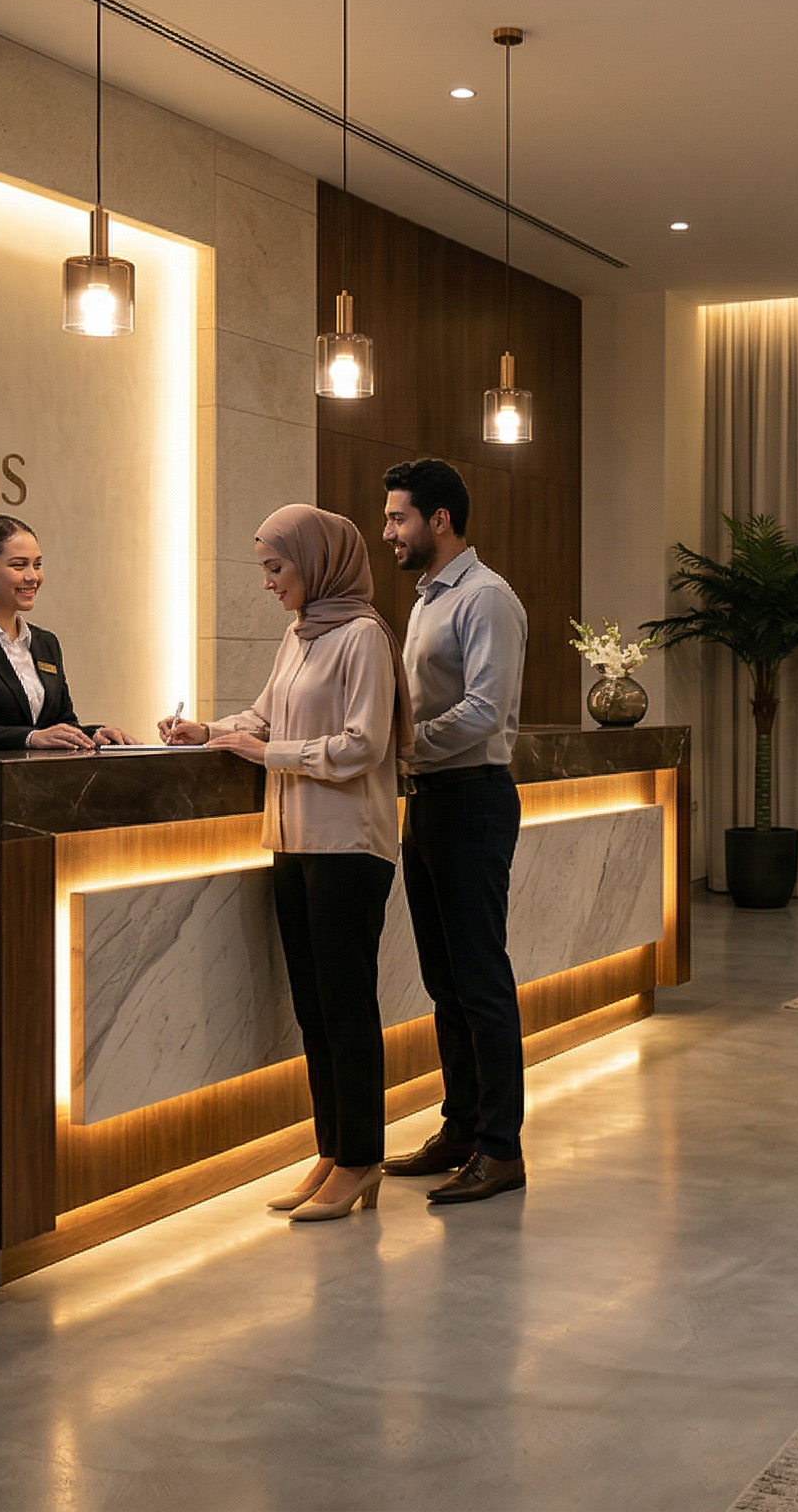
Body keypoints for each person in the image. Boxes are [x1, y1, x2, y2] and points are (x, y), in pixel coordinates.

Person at [160, 505, 410, 1224]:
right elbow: (266, 716)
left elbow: (364, 745)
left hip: (349, 848)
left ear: (318, 561)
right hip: (295, 843)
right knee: (312, 1008)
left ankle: (362, 1157)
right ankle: (334, 1149)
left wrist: (263, 754)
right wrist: (208, 731)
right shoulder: (299, 635)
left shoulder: (362, 636)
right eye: (265, 568)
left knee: (346, 1007)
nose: (268, 582)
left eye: (278, 567)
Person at [374, 458, 533, 1206]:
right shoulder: (426, 600)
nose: (388, 531)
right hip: (430, 802)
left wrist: (400, 743)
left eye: (398, 517)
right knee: (444, 983)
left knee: (480, 981)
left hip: (473, 801)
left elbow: (485, 713)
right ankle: (462, 1128)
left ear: (439, 519)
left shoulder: (487, 597)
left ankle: (503, 1150)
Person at [0, 514, 137, 752]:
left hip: (39, 784)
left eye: (37, 565)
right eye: (19, 565)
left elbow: (59, 724)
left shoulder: (45, 642)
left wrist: (94, 734)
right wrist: (29, 738)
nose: (32, 577)